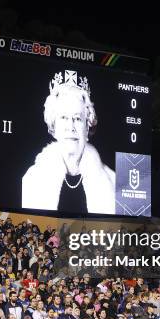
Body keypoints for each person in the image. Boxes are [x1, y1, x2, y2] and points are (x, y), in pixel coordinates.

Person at [22, 70, 115, 214]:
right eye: (64, 118)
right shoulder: (31, 179)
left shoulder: (112, 181)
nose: (70, 127)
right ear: (54, 125)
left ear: (87, 125)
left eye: (77, 118)